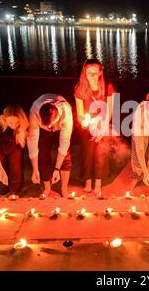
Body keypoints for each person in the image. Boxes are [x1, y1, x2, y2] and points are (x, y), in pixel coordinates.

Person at [74, 58, 116, 196]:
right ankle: (87, 182)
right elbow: (80, 114)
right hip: (87, 127)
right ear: (84, 72)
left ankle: (98, 182)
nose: (91, 76)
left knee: (100, 154)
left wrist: (102, 129)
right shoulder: (80, 88)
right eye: (88, 72)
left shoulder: (108, 86)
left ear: (100, 72)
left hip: (103, 125)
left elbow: (110, 110)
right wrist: (85, 122)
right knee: (87, 154)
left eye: (94, 72)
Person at [27, 93, 73, 198]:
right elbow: (32, 140)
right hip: (42, 126)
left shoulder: (66, 113)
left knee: (66, 154)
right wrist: (35, 169)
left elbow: (64, 143)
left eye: (50, 125)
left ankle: (64, 188)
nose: (50, 127)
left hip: (61, 124)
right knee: (43, 153)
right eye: (46, 125)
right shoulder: (34, 111)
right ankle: (47, 188)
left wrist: (57, 169)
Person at [0, 104, 29, 197]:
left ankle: (15, 191)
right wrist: (2, 172)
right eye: (11, 122)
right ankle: (4, 191)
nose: (14, 125)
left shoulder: (22, 127)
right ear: (4, 119)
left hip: (13, 143)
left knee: (16, 169)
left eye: (17, 123)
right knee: (2, 173)